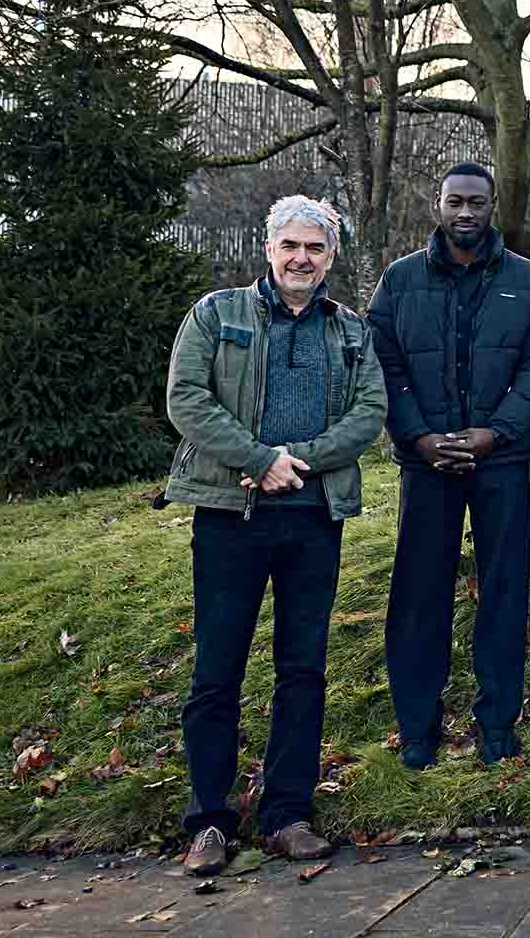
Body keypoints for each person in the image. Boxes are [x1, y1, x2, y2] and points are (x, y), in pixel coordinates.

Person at [164, 195, 386, 875]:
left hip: (314, 517)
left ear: (331, 258)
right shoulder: (216, 314)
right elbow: (186, 399)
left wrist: (302, 461)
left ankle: (287, 814)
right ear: (267, 249)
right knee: (216, 671)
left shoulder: (351, 331)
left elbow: (370, 410)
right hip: (232, 514)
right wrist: (260, 459)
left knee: (302, 670)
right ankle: (208, 821)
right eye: (290, 246)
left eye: (315, 249)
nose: (301, 259)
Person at [368, 162, 530, 770]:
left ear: (493, 205)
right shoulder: (399, 280)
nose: (466, 213)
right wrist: (419, 437)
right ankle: (418, 730)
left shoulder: (528, 281)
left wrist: (495, 432)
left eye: (477, 202)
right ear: (438, 204)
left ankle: (498, 726)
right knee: (420, 597)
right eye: (456, 201)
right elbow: (383, 366)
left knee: (503, 596)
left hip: (503, 461)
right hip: (426, 465)